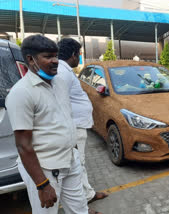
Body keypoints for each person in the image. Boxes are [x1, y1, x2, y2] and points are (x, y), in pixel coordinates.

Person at [5, 35, 98, 214]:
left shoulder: (59, 82)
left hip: (70, 160)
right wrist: (42, 184)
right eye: (48, 56)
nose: (55, 61)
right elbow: (23, 145)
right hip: (46, 170)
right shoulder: (21, 93)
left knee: (80, 210)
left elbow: (65, 118)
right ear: (31, 59)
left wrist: (75, 153)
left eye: (56, 56)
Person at [57, 38, 108, 204]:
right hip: (74, 127)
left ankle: (88, 195)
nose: (79, 58)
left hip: (77, 125)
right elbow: (59, 102)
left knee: (80, 164)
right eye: (78, 54)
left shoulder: (64, 70)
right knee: (76, 166)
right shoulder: (63, 73)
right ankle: (81, 204)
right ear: (72, 55)